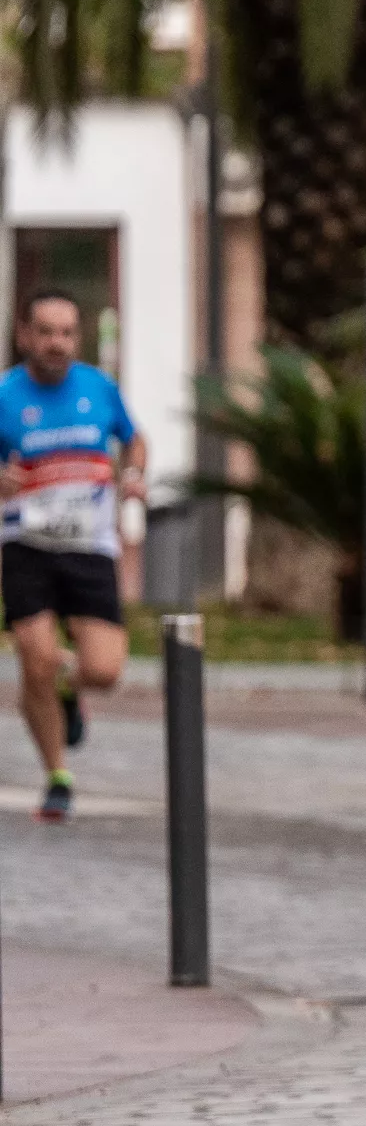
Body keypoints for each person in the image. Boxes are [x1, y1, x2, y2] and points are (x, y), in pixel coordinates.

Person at [0, 290, 145, 822]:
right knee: (34, 658)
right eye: (45, 332)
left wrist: (134, 474)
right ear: (25, 336)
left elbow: (135, 440)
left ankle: (69, 685)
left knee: (104, 670)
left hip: (89, 546)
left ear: (76, 338)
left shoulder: (99, 389)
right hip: (26, 546)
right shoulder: (5, 396)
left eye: (65, 333)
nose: (56, 343)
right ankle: (57, 775)